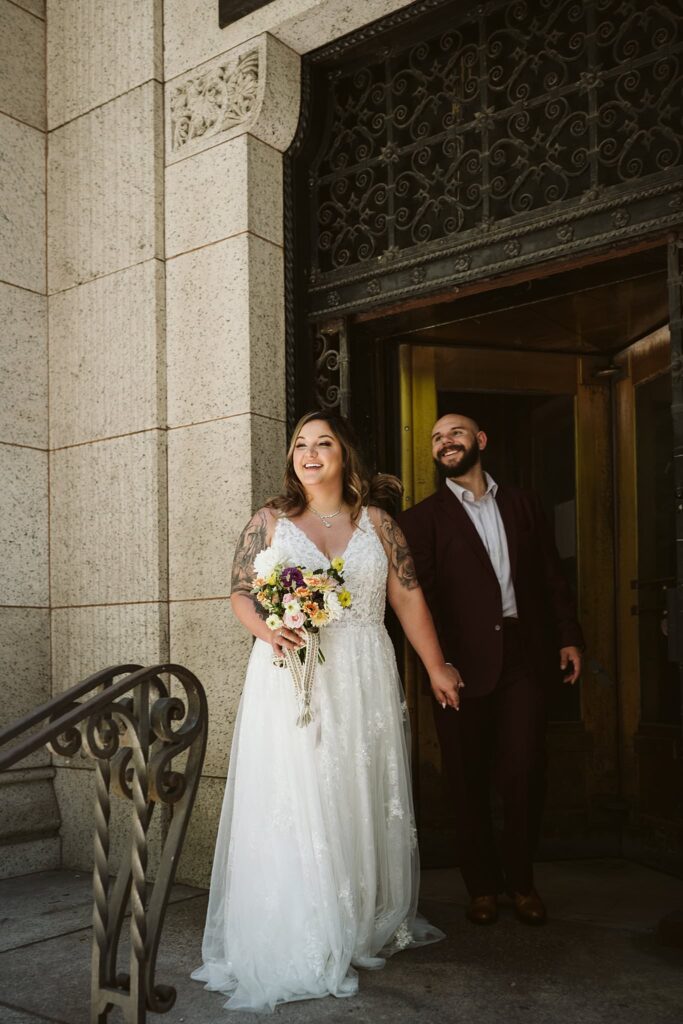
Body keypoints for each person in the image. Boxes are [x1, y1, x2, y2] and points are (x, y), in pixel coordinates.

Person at [192, 411, 461, 1012]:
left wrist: (438, 664)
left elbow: (408, 597)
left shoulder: (379, 525)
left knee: (350, 790)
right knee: (297, 791)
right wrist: (268, 629)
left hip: (362, 670)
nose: (309, 454)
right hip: (288, 672)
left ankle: (353, 914)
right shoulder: (268, 521)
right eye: (300, 445)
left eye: (323, 444)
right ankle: (299, 924)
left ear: (346, 454)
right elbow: (238, 591)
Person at [399, 412, 584, 927]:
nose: (444, 441)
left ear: (480, 440)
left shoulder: (522, 503)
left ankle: (521, 883)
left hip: (525, 654)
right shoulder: (422, 518)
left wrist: (569, 636)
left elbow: (551, 573)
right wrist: (439, 664)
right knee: (466, 777)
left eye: (455, 433)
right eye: (436, 437)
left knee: (524, 771)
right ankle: (481, 887)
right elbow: (423, 600)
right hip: (458, 664)